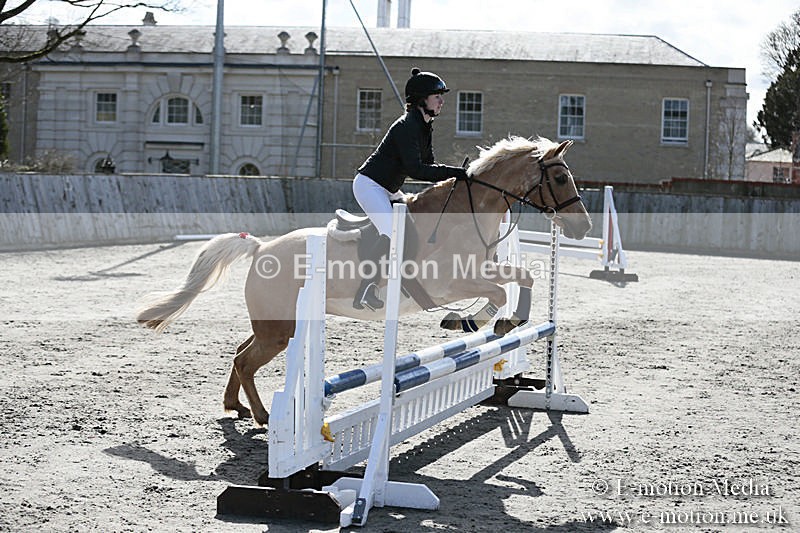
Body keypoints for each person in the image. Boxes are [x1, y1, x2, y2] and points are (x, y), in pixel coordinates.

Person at [351, 67, 469, 311]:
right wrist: (454, 172)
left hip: (389, 188)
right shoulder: (407, 126)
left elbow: (429, 166)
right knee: (392, 233)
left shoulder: (424, 126)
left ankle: (404, 277)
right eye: (437, 97)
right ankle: (365, 288)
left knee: (412, 229)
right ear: (422, 100)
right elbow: (417, 170)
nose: (442, 101)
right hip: (370, 186)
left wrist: (454, 175)